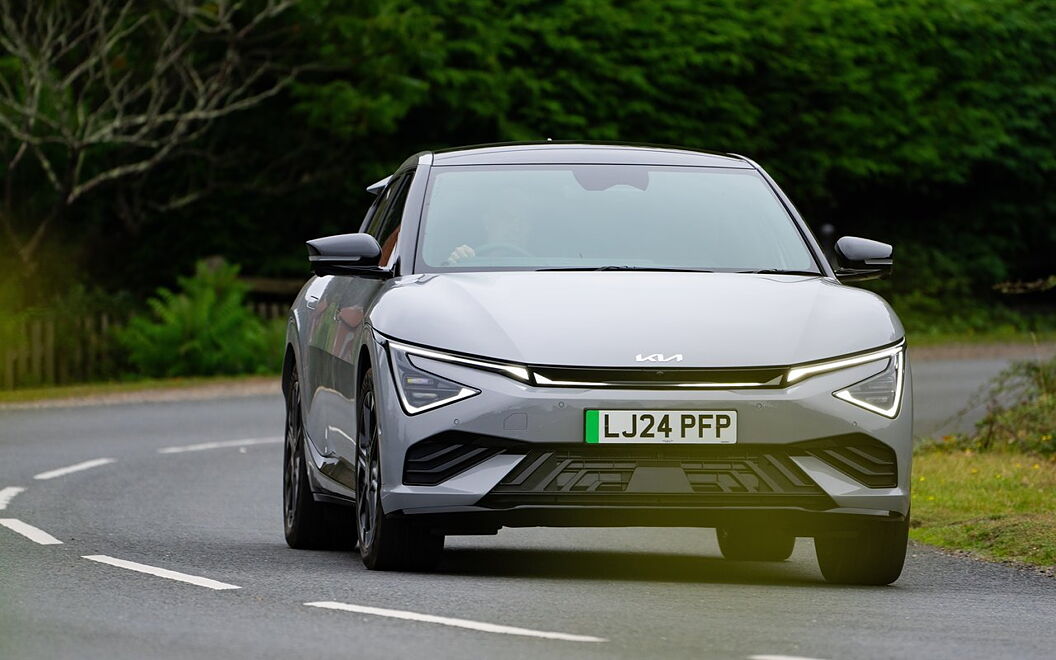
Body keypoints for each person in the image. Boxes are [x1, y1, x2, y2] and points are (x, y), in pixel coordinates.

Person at [446, 200, 532, 265]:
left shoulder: (543, 272)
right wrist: (458, 262)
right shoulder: (468, 262)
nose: (516, 229)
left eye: (523, 221)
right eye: (507, 218)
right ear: (487, 221)